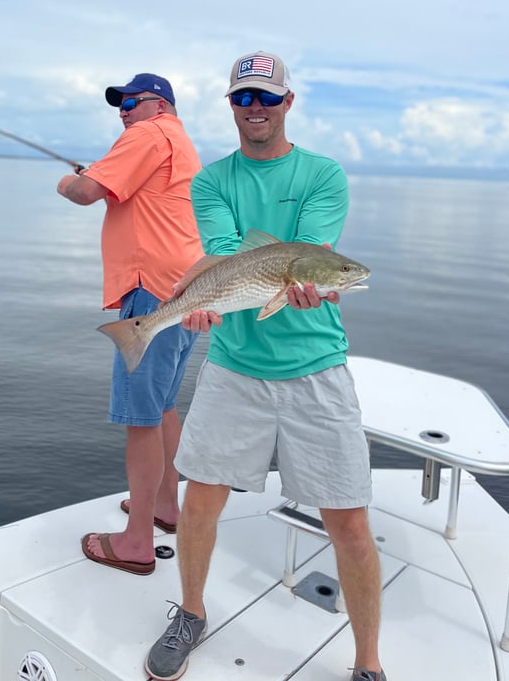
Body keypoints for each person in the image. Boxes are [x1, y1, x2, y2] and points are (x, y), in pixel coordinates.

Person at [145, 51, 386, 681]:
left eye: (267, 97)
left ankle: (368, 664)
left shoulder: (322, 174)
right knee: (199, 503)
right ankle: (191, 613)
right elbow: (224, 258)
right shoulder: (212, 181)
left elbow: (313, 255)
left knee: (350, 522)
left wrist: (317, 279)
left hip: (316, 370)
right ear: (231, 105)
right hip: (232, 366)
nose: (256, 108)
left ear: (288, 102)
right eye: (243, 98)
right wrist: (195, 304)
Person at [57, 72, 203, 576]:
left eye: (130, 101)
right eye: (117, 104)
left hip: (151, 296)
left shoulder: (146, 134)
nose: (121, 111)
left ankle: (137, 541)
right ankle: (166, 507)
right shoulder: (180, 142)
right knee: (162, 407)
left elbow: (85, 191)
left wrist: (68, 180)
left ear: (159, 104)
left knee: (140, 417)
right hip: (184, 293)